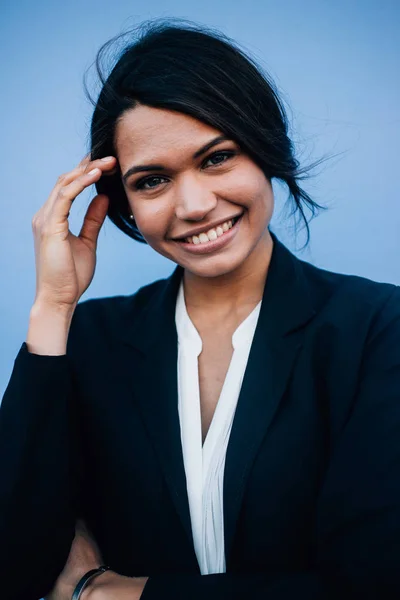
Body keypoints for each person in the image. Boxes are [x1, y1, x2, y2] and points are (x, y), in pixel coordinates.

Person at [1, 17, 399, 600]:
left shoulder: (375, 329)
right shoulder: (91, 340)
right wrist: (53, 307)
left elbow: (373, 584)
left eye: (217, 158)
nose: (193, 204)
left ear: (265, 148)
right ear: (125, 206)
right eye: (154, 180)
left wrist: (120, 593)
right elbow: (15, 567)